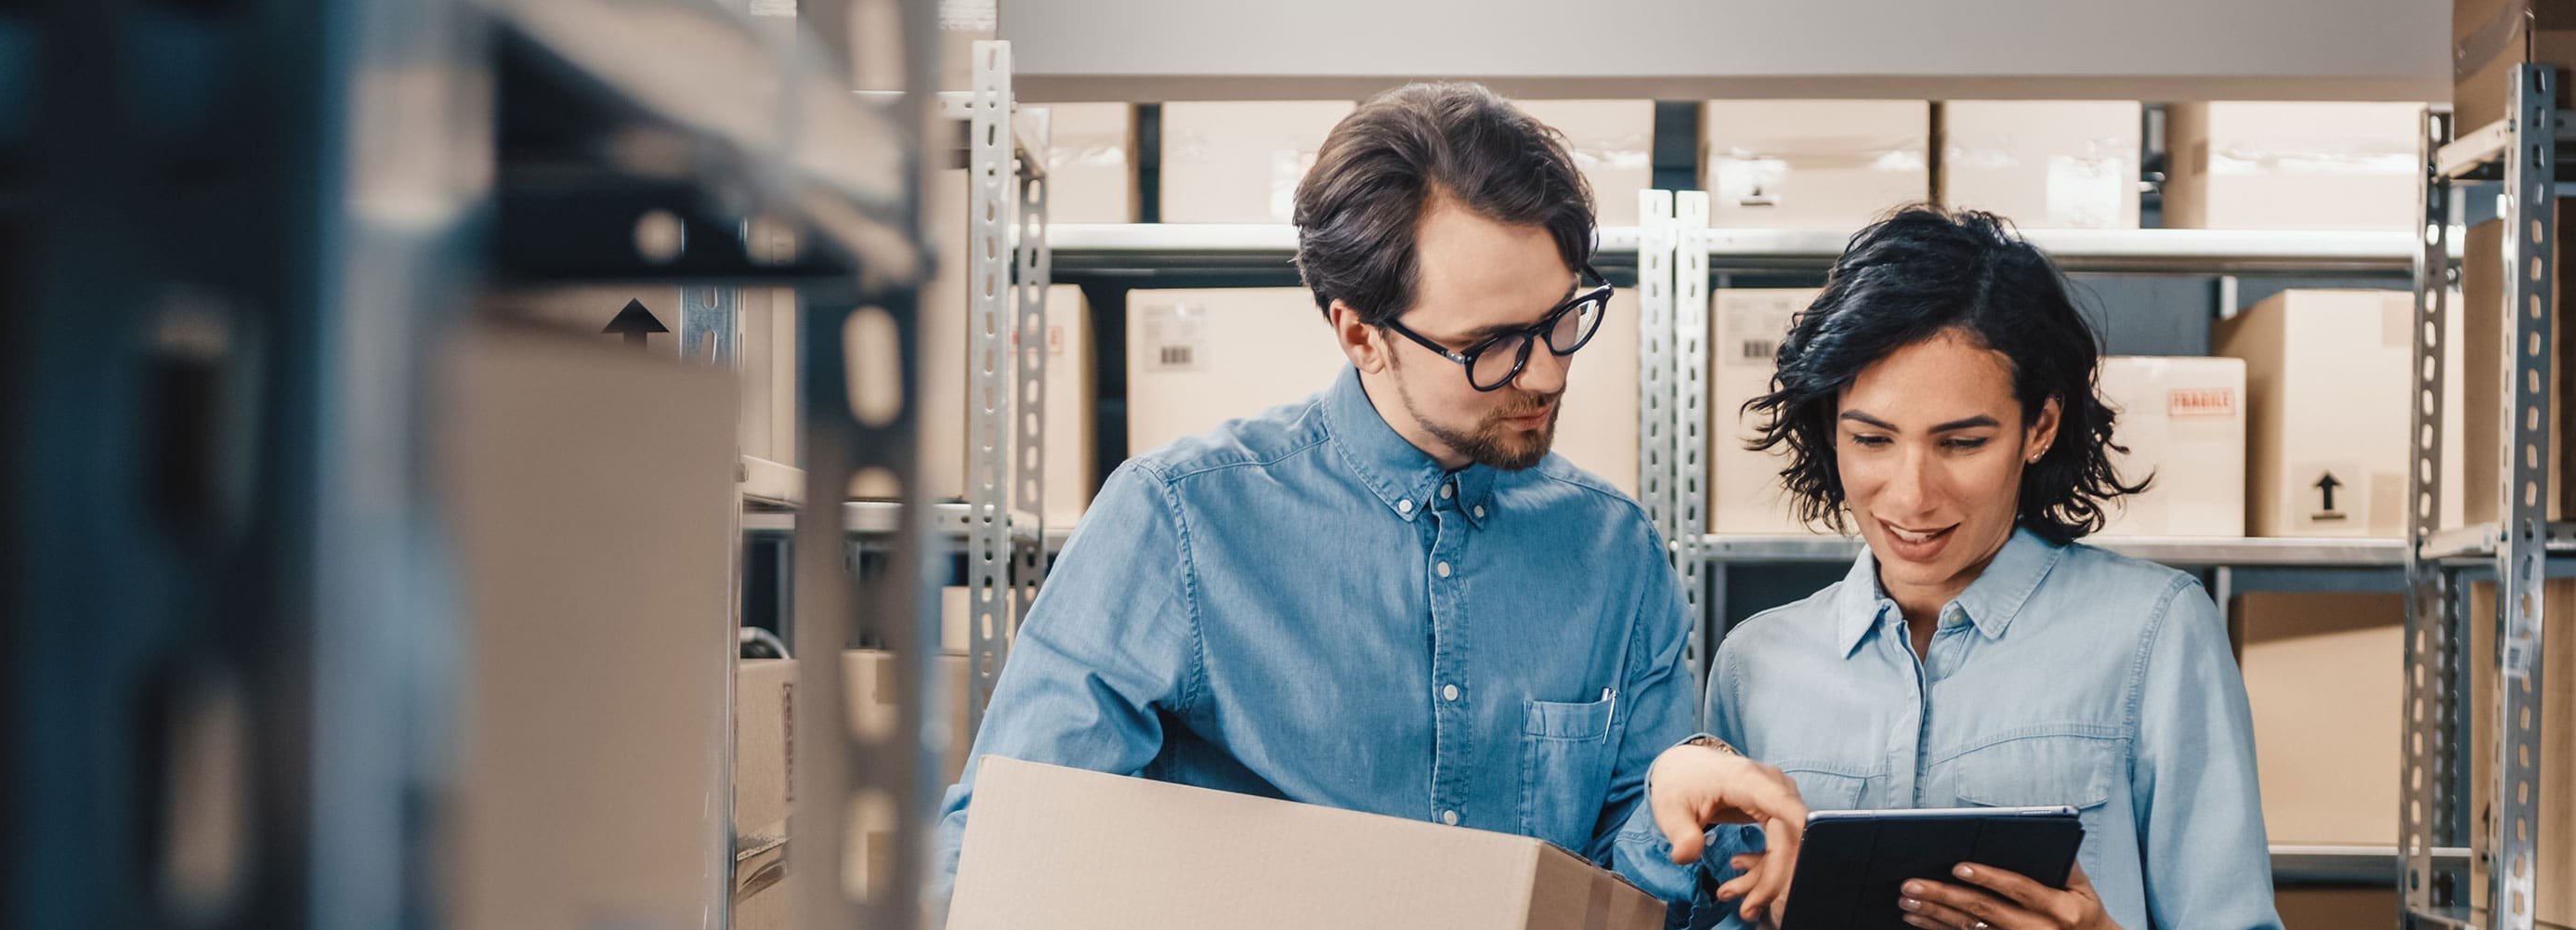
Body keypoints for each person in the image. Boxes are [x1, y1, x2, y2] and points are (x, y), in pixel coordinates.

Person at [931, 82, 1806, 921]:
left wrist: (1670, 814)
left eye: (1562, 317)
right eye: (1491, 344)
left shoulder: (1614, 551)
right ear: (1359, 332)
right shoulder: (1178, 524)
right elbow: (998, 856)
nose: (1547, 371)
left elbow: (1631, 894)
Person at [1701, 207, 2280, 929]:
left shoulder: (2153, 632)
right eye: (1874, 439)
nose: (1911, 494)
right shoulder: (1756, 664)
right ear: (1830, 427)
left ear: (2039, 427)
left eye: (1963, 442)